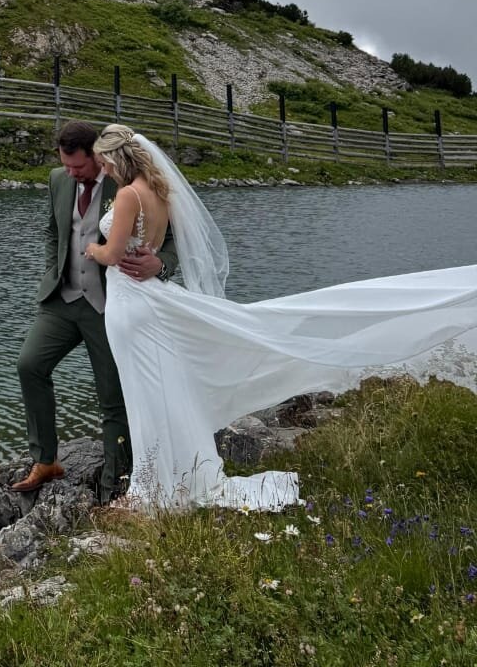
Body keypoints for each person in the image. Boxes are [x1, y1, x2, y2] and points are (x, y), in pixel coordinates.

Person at [85, 122, 477, 510]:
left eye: (104, 161)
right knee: (161, 388)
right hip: (145, 298)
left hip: (131, 302)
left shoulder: (128, 197)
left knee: (144, 391)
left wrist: (92, 250)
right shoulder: (159, 192)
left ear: (116, 158)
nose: (102, 169)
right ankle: (173, 477)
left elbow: (114, 254)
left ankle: (155, 485)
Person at [11, 120, 180, 501]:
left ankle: (114, 485)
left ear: (98, 158)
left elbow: (171, 241)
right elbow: (54, 231)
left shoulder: (127, 184)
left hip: (110, 306)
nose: (71, 173)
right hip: (61, 299)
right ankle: (45, 460)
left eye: (80, 167)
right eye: (66, 166)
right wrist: (52, 270)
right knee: (30, 365)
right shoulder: (58, 179)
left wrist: (162, 265)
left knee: (112, 396)